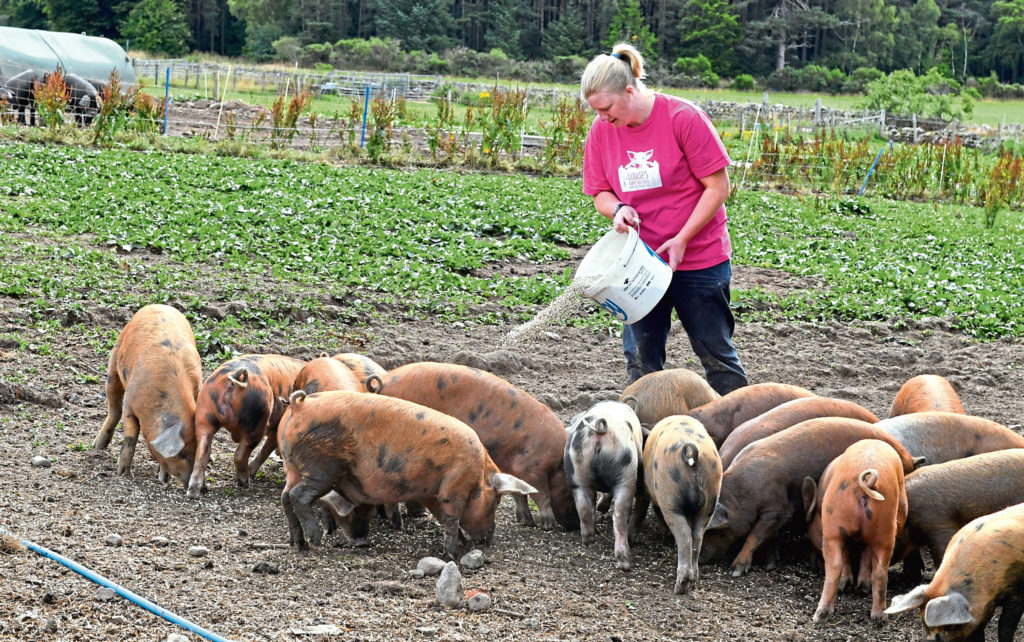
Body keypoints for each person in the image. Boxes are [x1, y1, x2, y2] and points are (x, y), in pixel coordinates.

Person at [580, 43, 748, 395]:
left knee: (716, 353)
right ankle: (645, 431)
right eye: (596, 111)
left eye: (607, 108)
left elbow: (717, 188)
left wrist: (683, 238)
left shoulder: (682, 118)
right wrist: (617, 209)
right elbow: (600, 193)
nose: (603, 118)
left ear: (629, 90)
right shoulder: (601, 131)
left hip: (698, 259)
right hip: (639, 262)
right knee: (641, 359)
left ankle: (736, 431)